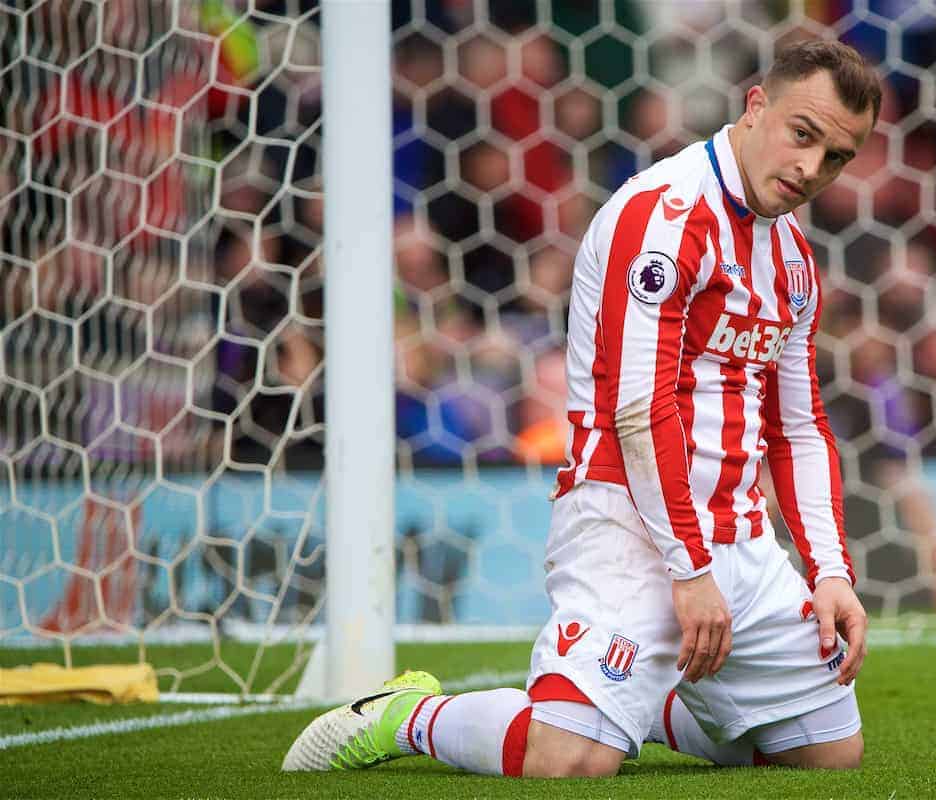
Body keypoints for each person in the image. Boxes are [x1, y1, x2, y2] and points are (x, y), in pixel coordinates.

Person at [282, 39, 881, 778]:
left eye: (837, 157)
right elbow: (641, 409)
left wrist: (829, 570)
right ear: (756, 106)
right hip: (627, 523)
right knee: (567, 763)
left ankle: (644, 701)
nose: (811, 169)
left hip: (738, 536)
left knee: (827, 757)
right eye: (804, 134)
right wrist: (689, 572)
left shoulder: (790, 255)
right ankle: (409, 717)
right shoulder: (663, 218)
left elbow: (798, 427)